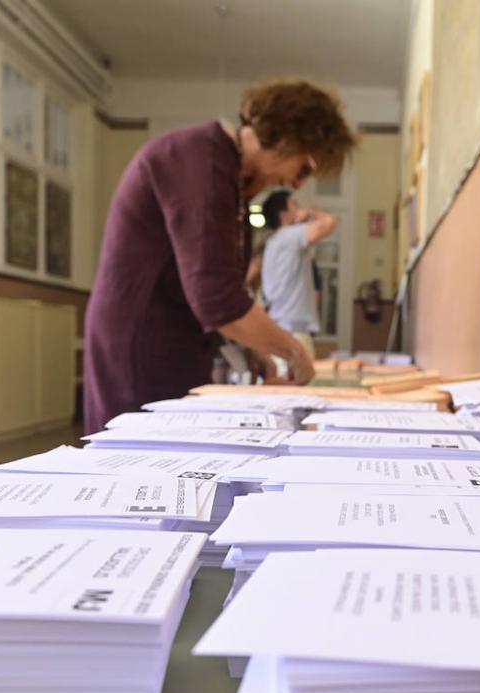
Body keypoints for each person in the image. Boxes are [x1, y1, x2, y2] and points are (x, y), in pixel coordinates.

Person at [82, 80, 356, 432]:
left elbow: (218, 285)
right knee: (138, 464)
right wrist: (292, 350)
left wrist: (254, 348)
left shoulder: (229, 177)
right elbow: (218, 300)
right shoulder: (201, 161)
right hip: (141, 345)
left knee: (175, 463)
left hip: (176, 342)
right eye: (302, 168)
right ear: (285, 139)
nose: (297, 184)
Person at [259, 191, 336, 362]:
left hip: (283, 329)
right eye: (294, 205)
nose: (299, 209)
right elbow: (329, 222)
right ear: (283, 215)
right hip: (292, 333)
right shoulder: (289, 236)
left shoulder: (275, 241)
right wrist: (310, 212)